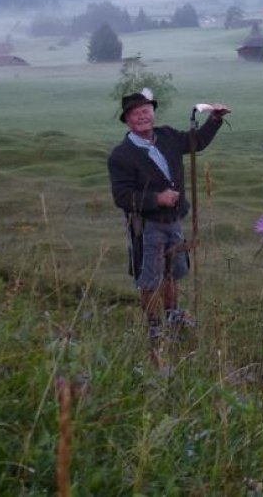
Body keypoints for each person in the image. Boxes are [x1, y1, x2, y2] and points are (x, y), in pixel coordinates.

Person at [107, 89, 230, 341]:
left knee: (173, 272)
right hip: (146, 226)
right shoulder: (121, 155)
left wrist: (215, 120)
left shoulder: (167, 136)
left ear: (153, 113)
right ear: (127, 120)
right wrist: (156, 199)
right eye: (135, 113)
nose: (142, 117)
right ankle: (154, 328)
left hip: (174, 221)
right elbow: (122, 197)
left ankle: (173, 317)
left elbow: (197, 142)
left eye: (146, 111)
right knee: (150, 278)